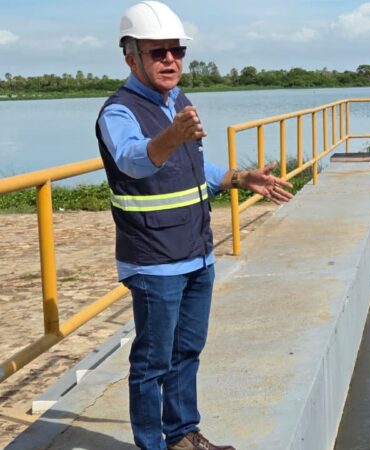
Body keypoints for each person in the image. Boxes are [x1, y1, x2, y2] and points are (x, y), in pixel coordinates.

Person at [96, 2, 293, 449]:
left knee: (187, 352)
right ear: (131, 57)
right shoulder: (119, 111)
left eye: (176, 51)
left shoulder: (178, 101)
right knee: (152, 362)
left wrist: (240, 178)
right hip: (154, 260)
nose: (170, 60)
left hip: (196, 253)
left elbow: (192, 166)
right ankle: (153, 444)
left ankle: (184, 435)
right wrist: (173, 136)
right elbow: (133, 160)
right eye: (157, 52)